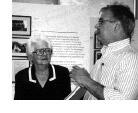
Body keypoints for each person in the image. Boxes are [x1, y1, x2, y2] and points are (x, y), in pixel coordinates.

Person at [70, 3, 138, 100]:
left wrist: (86, 80)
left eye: (101, 21)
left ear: (116, 26)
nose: (96, 25)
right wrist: (85, 82)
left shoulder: (130, 58)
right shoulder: (104, 57)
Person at [14, 35, 71, 100]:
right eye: (40, 51)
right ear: (31, 56)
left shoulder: (63, 73)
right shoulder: (21, 76)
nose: (45, 54)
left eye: (47, 50)